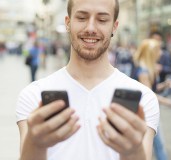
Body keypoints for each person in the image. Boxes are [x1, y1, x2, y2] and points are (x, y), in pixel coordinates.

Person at [16, 0, 159, 160]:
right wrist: (36, 144)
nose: (91, 28)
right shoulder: (34, 95)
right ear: (68, 23)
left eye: (102, 20)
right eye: (82, 18)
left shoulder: (144, 98)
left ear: (114, 26)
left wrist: (132, 151)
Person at [132, 39, 171, 160]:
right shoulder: (143, 70)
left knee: (157, 146)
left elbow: (151, 89)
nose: (160, 53)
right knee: (159, 147)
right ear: (151, 52)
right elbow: (150, 95)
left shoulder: (147, 68)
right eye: (157, 50)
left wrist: (165, 84)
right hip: (145, 113)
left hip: (145, 111)